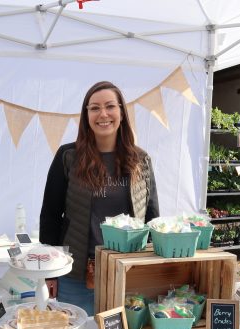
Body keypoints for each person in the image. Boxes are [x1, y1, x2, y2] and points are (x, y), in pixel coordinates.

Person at [39, 81, 159, 315]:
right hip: (77, 274)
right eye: (94, 108)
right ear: (86, 116)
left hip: (127, 270)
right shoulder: (68, 156)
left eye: (110, 106)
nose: (103, 114)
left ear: (122, 112)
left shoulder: (140, 159)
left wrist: (153, 266)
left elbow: (152, 216)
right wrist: (49, 271)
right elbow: (50, 216)